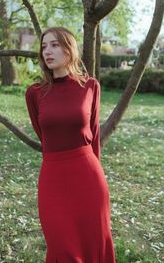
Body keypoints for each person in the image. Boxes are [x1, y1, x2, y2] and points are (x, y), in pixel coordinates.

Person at [25, 27, 116, 263]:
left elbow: (94, 136)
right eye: (44, 46)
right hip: (53, 178)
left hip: (88, 178)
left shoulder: (90, 87)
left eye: (55, 45)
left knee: (94, 242)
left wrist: (99, 178)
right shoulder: (34, 93)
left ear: (69, 49)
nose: (48, 51)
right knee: (62, 247)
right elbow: (45, 136)